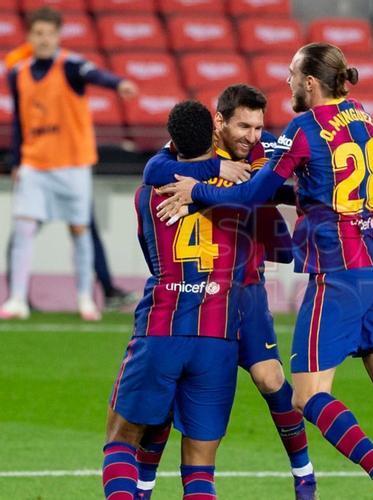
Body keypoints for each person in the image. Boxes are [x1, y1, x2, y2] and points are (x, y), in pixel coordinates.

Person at [157, 42, 373, 499]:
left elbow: (252, 194)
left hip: (338, 272)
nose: (286, 81)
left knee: (307, 396)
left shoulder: (305, 127)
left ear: (310, 82)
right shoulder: (365, 117)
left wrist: (198, 191)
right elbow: (316, 189)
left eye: (291, 73)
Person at [136, 84, 317, 500]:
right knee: (167, 396)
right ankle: (144, 486)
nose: (253, 136)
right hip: (197, 290)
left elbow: (290, 184)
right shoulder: (192, 150)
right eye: (243, 126)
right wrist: (217, 170)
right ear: (219, 122)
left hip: (246, 286)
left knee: (271, 378)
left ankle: (304, 477)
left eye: (258, 127)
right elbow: (153, 171)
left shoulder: (265, 147)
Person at [102, 100, 246, 500]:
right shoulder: (241, 189)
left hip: (161, 329)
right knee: (201, 467)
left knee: (121, 439)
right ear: (214, 135)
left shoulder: (147, 195)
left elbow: (152, 258)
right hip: (217, 336)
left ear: (171, 142)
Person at [0, 7, 138, 321]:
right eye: (38, 33)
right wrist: (17, 159)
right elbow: (20, 121)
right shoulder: (17, 72)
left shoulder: (71, 65)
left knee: (79, 229)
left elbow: (95, 74)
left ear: (58, 35)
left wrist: (118, 84)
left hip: (72, 163)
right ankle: (17, 299)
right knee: (23, 227)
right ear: (29, 37)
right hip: (35, 162)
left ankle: (84, 298)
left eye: (49, 33)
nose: (44, 39)